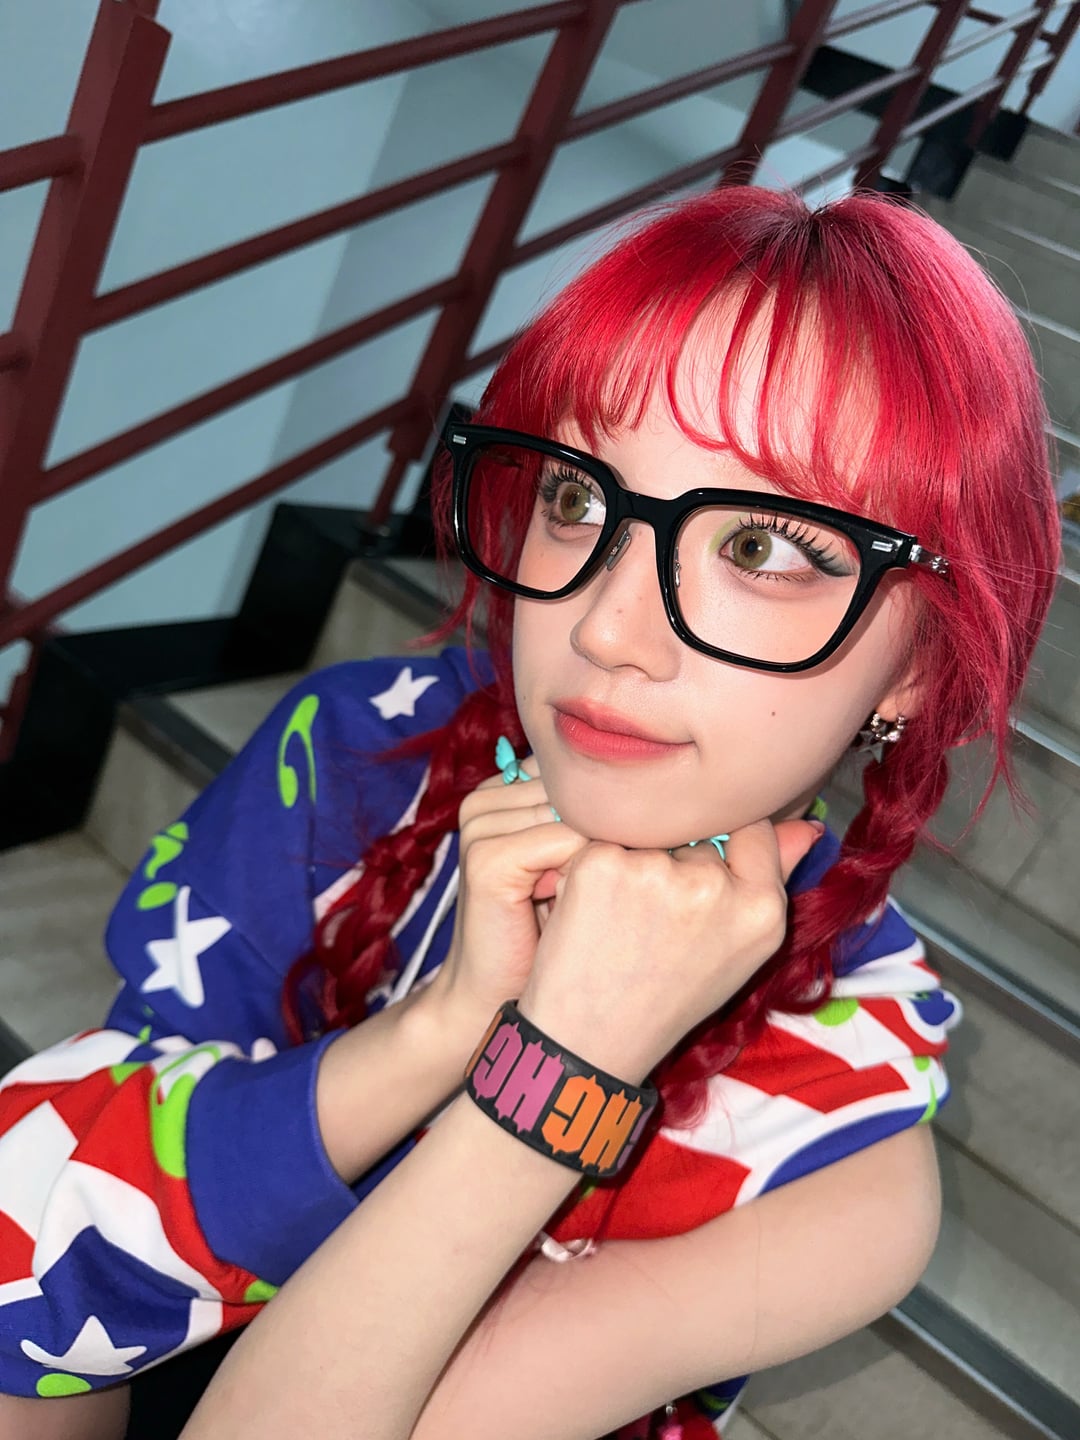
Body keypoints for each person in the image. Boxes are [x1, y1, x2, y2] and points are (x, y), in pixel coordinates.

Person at [0, 185, 1058, 1440]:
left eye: (764, 547)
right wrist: (438, 1029)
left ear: (921, 665)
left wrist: (559, 1071)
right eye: (577, 499)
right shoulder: (356, 756)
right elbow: (42, 1252)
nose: (605, 628)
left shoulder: (837, 1148)